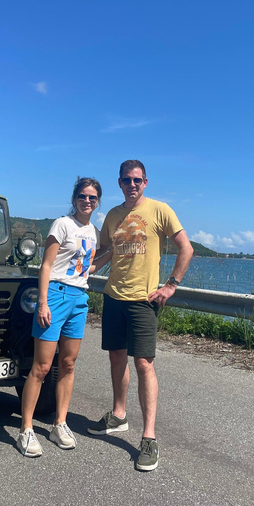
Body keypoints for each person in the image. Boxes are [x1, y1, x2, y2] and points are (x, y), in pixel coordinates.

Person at [87, 160, 193, 471]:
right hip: (113, 296)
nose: (131, 185)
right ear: (119, 183)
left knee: (144, 363)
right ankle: (119, 415)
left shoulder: (161, 210)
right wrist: (78, 269)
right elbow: (105, 253)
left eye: (136, 180)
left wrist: (171, 285)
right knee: (116, 357)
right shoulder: (113, 216)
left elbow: (185, 248)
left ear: (145, 181)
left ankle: (149, 437)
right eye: (125, 180)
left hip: (143, 301)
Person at [17, 177, 111, 457]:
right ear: (74, 199)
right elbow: (46, 266)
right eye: (83, 196)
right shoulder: (62, 224)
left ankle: (60, 423)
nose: (87, 201)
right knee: (42, 366)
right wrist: (43, 303)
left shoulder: (92, 232)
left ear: (97, 202)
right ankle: (26, 429)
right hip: (55, 296)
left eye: (92, 198)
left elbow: (87, 268)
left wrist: (111, 253)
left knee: (68, 363)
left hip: (79, 298)